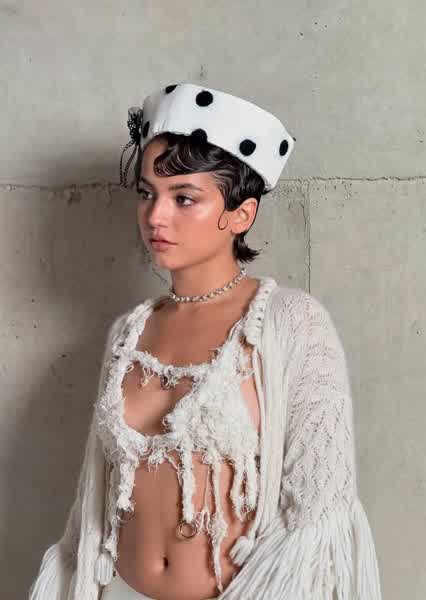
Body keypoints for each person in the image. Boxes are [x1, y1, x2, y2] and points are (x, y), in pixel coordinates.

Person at [29, 83, 382, 600]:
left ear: (242, 214)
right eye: (147, 193)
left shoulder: (291, 323)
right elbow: (93, 506)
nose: (156, 216)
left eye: (184, 198)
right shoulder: (130, 332)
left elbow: (317, 511)